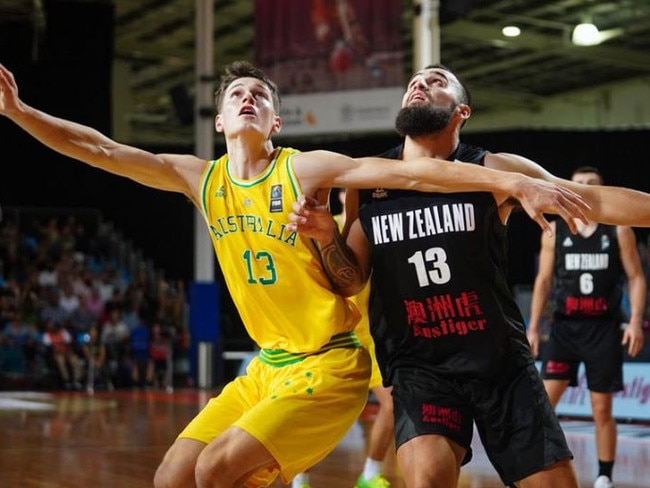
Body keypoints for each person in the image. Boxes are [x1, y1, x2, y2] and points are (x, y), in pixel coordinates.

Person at [0, 59, 593, 488]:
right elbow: (102, 151)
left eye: (259, 94)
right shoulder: (198, 179)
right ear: (219, 121)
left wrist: (506, 180)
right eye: (236, 94)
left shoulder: (305, 171)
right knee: (173, 476)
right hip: (268, 367)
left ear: (278, 123)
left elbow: (414, 176)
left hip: (329, 362)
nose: (247, 99)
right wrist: (20, 112)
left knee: (216, 469)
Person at [288, 64, 650, 488]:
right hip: (420, 366)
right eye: (413, 83)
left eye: (436, 81)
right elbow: (352, 279)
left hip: (499, 362)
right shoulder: (367, 183)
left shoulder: (495, 170)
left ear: (462, 111)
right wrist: (326, 237)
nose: (419, 85)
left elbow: (593, 200)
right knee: (427, 478)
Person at [527, 166, 647, 488]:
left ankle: (604, 476)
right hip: (565, 329)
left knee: (601, 408)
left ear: (602, 189)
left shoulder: (618, 229)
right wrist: (533, 327)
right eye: (578, 184)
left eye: (591, 184)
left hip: (603, 329)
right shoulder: (554, 229)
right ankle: (537, 469)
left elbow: (636, 277)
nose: (583, 188)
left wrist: (635, 321)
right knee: (542, 405)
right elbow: (543, 280)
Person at [292, 189, 394, 488]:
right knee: (316, 413)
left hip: (372, 335)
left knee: (393, 404)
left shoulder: (378, 229)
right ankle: (300, 477)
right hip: (333, 334)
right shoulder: (323, 227)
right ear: (340, 196)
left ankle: (370, 475)